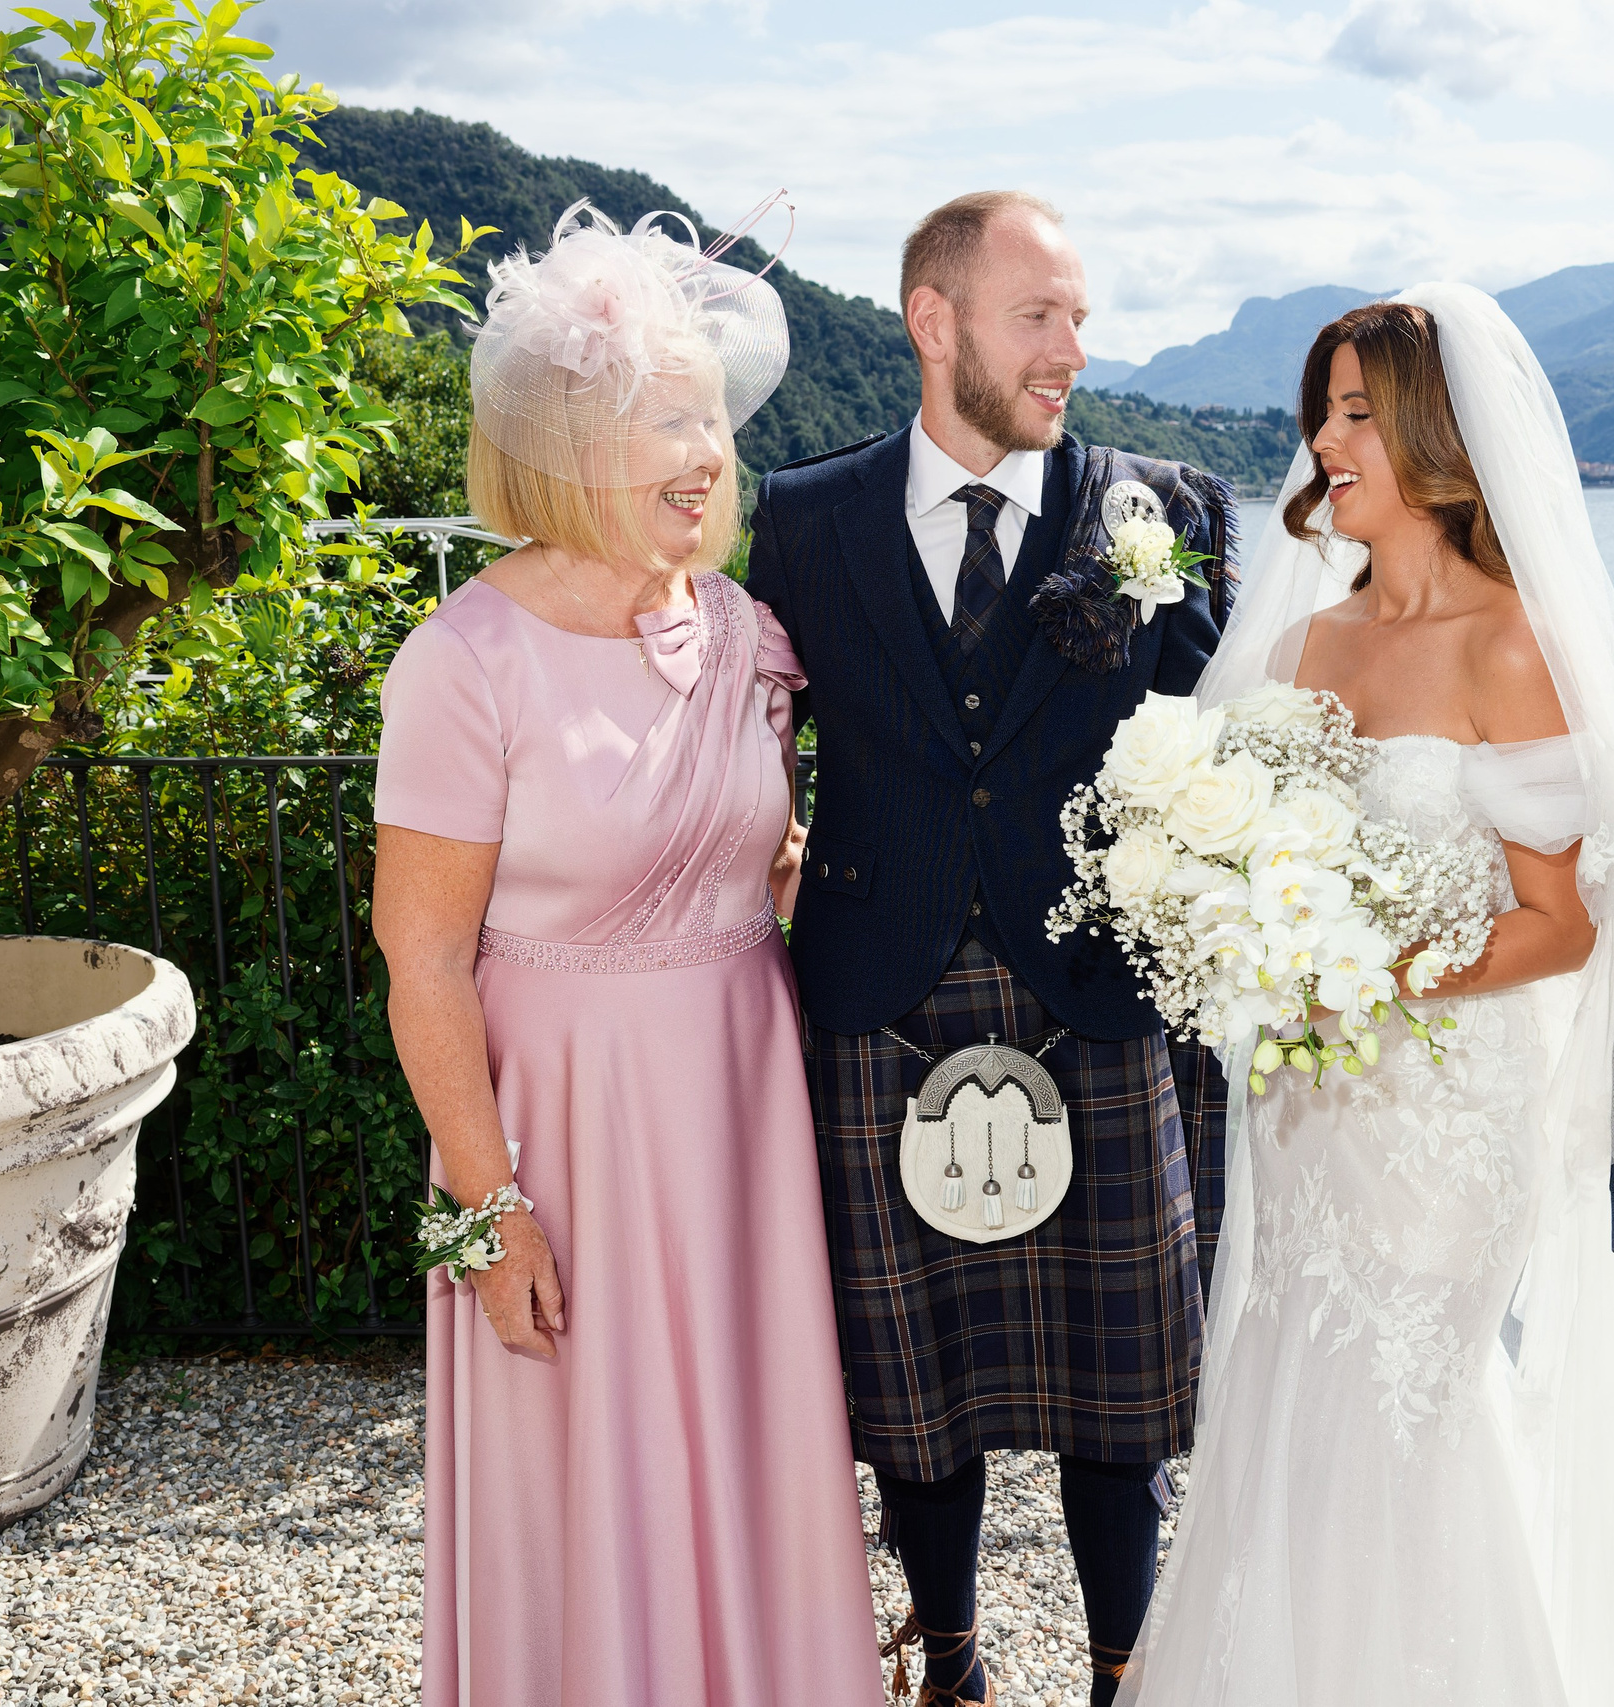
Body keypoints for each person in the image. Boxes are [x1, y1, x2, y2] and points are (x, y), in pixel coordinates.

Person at [1121, 289, 1614, 1707]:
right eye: (1322, 412)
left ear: (1436, 437)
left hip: (1444, 1111)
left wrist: (1376, 974)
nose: (1324, 442)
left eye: (1357, 413)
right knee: (1288, 1407)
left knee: (1401, 1412)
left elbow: (1561, 925)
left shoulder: (1508, 642)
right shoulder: (1298, 646)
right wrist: (1238, 937)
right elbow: (1231, 860)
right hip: (1304, 1108)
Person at [374, 203, 880, 1707]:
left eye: (712, 420)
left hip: (739, 1118)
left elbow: (771, 869)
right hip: (560, 1144)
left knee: (751, 1440)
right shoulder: (463, 663)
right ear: (567, 451)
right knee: (581, 1470)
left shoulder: (743, 633)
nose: (708, 455)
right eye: (666, 424)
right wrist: (488, 1218)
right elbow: (419, 964)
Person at [744, 191, 1235, 1707]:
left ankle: (1121, 1666)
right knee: (916, 1386)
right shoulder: (802, 519)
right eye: (1042, 317)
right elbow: (744, 750)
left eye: (1081, 318)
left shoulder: (1166, 512)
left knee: (1119, 1390)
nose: (1074, 351)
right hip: (877, 991)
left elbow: (1223, 758)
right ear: (933, 321)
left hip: (1093, 994)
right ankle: (947, 1659)